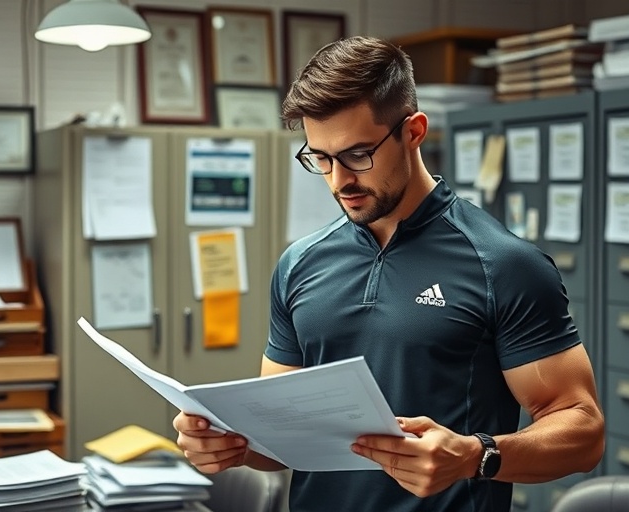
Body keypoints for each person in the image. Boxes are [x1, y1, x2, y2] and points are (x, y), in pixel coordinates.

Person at [174, 35, 605, 511]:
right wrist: (234, 445)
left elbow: (583, 431)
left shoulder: (503, 264)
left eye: (358, 155)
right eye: (320, 158)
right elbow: (283, 440)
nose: (339, 180)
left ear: (413, 131)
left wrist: (475, 455)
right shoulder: (300, 263)